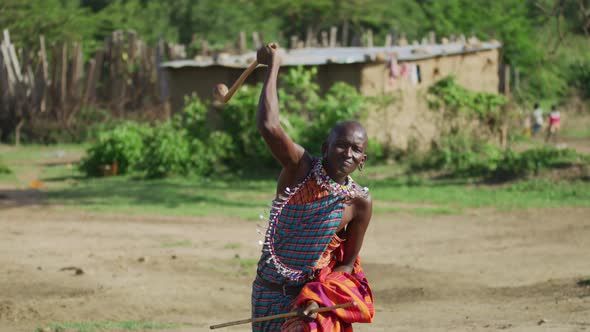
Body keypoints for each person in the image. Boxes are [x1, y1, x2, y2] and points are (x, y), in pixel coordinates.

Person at [251, 42, 375, 331]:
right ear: (325, 147)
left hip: (307, 304)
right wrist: (274, 66)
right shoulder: (300, 169)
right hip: (266, 292)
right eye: (341, 145)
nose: (347, 153)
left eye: (356, 150)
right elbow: (269, 127)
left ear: (363, 160)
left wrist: (317, 300)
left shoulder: (360, 203)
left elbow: (346, 266)